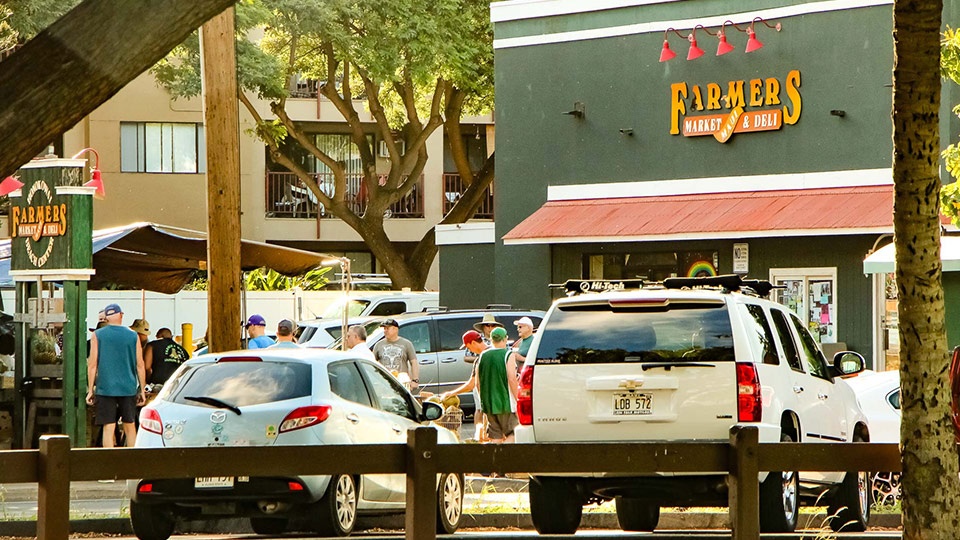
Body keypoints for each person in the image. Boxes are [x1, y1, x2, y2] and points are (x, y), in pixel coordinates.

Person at [85, 303, 146, 448]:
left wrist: (90, 390)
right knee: (130, 426)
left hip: (105, 387)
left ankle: (109, 463)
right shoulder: (133, 335)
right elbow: (140, 365)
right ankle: (131, 461)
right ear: (121, 315)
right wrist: (142, 389)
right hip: (128, 387)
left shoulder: (97, 335)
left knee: (108, 427)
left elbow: (92, 365)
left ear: (106, 318)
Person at [475, 326, 519, 443]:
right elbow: (511, 378)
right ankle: (505, 458)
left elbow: (477, 382)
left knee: (495, 437)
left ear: (491, 339)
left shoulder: (483, 355)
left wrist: (483, 401)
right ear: (505, 339)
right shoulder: (508, 355)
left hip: (488, 404)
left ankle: (494, 460)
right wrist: (518, 399)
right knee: (514, 434)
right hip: (505, 403)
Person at [372, 318, 419, 391]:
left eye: (387, 328)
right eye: (384, 329)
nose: (385, 331)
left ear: (395, 329)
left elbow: (414, 362)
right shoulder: (378, 345)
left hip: (401, 383)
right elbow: (372, 364)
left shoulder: (406, 344)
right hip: (384, 383)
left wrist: (415, 380)